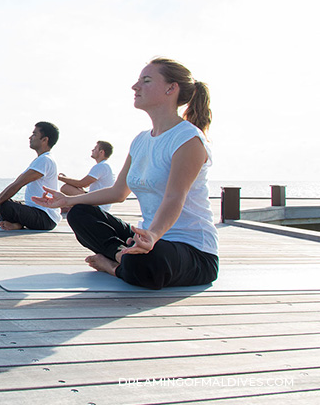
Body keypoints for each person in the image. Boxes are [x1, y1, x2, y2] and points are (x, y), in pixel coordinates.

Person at [32, 58, 218, 290]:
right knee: (80, 213)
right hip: (147, 238)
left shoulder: (188, 139)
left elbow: (175, 197)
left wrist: (152, 236)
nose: (135, 86)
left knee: (150, 261)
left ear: (171, 88)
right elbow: (118, 192)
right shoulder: (140, 140)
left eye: (146, 81)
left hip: (192, 250)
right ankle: (124, 256)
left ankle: (114, 265)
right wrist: (68, 200)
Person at [0, 122, 61, 231]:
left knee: (4, 205)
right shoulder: (42, 159)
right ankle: (17, 225)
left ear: (44, 140)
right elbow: (17, 182)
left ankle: (18, 225)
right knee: (3, 202)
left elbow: (19, 184)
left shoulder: (45, 160)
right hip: (39, 214)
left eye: (34, 134)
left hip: (45, 217)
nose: (30, 137)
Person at [58, 141, 115, 212]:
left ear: (101, 152)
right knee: (69, 187)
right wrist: (66, 179)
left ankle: (68, 206)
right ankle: (69, 206)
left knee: (66, 188)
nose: (92, 150)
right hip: (100, 202)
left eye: (95, 148)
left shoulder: (101, 166)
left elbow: (81, 184)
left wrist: (59, 178)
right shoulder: (106, 165)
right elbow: (85, 185)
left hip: (98, 204)